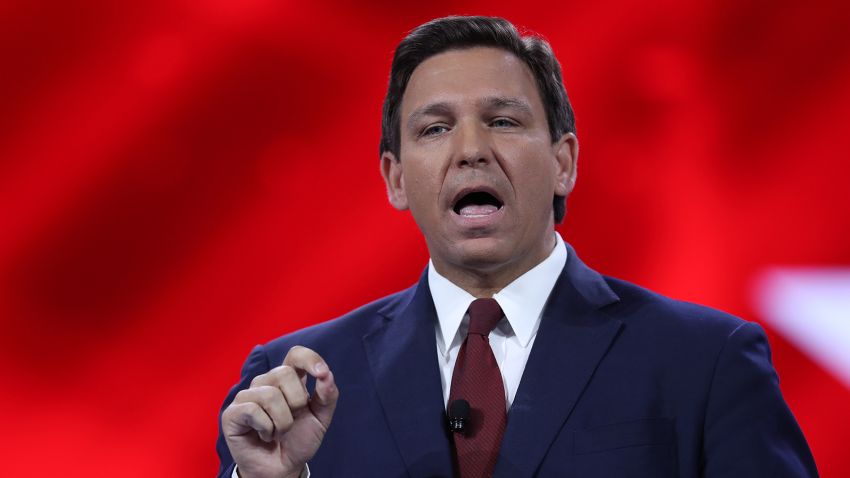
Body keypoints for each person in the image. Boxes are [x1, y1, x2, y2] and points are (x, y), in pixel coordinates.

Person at [216, 16, 818, 478]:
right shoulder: (296, 384)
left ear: (564, 163)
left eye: (503, 121)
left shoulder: (707, 362)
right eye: (435, 128)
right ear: (396, 179)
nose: (471, 149)